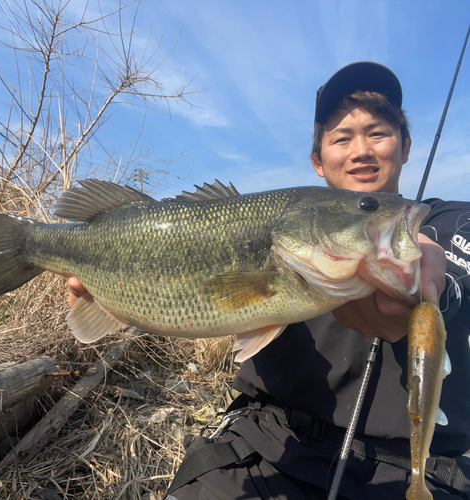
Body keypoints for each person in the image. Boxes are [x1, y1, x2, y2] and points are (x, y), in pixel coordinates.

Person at [69, 62, 470, 499]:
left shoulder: (446, 221)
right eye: (341, 138)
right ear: (317, 161)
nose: (361, 150)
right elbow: (208, 299)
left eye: (378, 133)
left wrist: (434, 292)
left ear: (406, 146)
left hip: (412, 471)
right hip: (262, 444)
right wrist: (116, 294)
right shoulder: (291, 219)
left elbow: (450, 269)